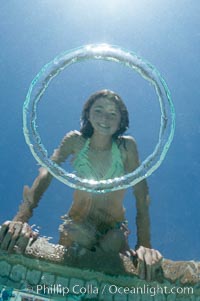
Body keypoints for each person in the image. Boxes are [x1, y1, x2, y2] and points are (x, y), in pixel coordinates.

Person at [0, 89, 162, 281]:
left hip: (113, 228)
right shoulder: (75, 141)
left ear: (121, 121)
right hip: (77, 224)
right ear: (88, 114)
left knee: (114, 241)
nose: (105, 118)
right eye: (99, 110)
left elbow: (141, 195)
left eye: (113, 114)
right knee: (76, 234)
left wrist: (145, 246)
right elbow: (45, 175)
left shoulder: (127, 147)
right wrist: (21, 220)